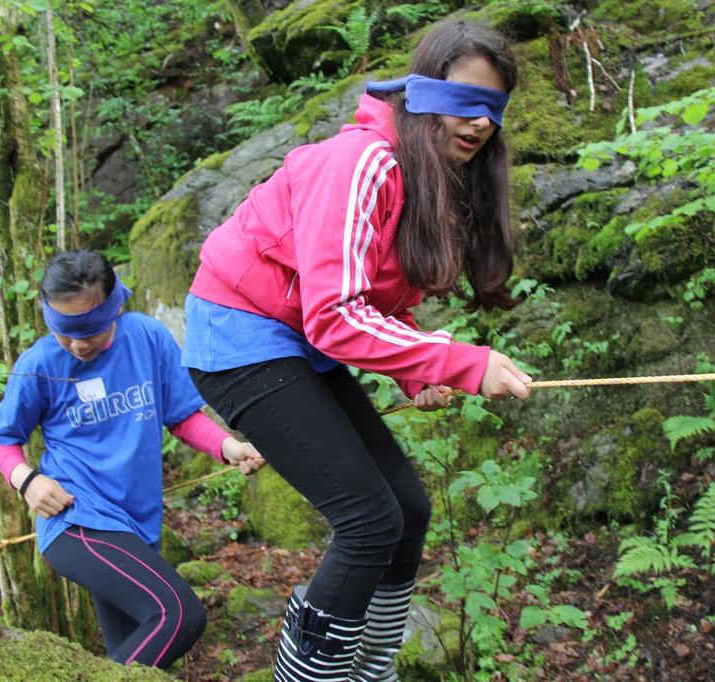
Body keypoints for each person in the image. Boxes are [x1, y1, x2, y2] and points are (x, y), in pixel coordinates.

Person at [182, 19, 532, 681]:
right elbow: (335, 316)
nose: (479, 123)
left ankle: (368, 668)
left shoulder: (430, 177)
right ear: (420, 94)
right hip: (239, 333)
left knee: (409, 509)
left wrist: (410, 373)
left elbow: (374, 289)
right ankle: (311, 674)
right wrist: (456, 360)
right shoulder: (363, 162)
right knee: (368, 521)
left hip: (299, 337)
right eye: (463, 101)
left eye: (492, 109)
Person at [0, 250, 264, 669]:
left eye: (89, 329)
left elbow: (181, 416)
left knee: (135, 660)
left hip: (136, 524)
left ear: (114, 306)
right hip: (78, 520)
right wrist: (27, 481)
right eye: (65, 330)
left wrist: (227, 447)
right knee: (179, 615)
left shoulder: (147, 338)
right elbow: (2, 439)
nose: (78, 343)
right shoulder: (40, 364)